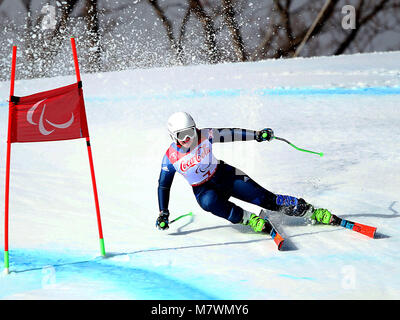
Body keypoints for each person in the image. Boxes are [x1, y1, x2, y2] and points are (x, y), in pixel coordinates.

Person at [156, 111, 332, 232]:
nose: (188, 139)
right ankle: (249, 219)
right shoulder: (170, 158)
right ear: (173, 136)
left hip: (225, 174)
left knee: (264, 198)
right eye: (182, 135)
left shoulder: (205, 134)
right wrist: (163, 212)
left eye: (191, 132)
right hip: (203, 190)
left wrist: (256, 135)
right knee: (208, 202)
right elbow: (163, 186)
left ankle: (308, 210)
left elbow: (231, 133)